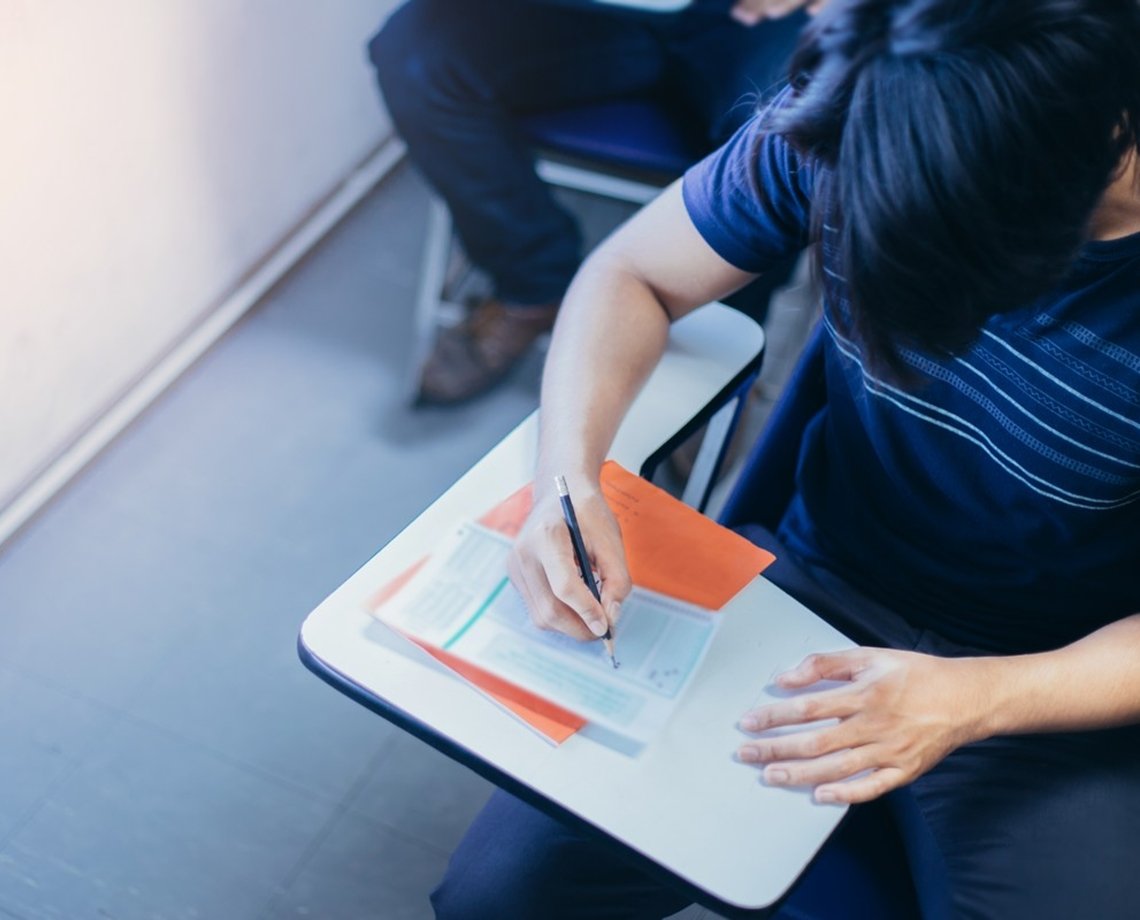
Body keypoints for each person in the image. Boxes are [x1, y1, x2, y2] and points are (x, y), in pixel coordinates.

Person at [430, 0, 1140, 916]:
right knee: (498, 900)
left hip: (1053, 671)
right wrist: (569, 478)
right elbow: (632, 273)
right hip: (813, 582)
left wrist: (979, 700)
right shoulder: (870, 103)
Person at [369, 0, 820, 404]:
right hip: (593, 15)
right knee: (413, 57)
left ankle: (716, 354)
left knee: (792, 127)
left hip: (754, 18)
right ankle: (534, 285)